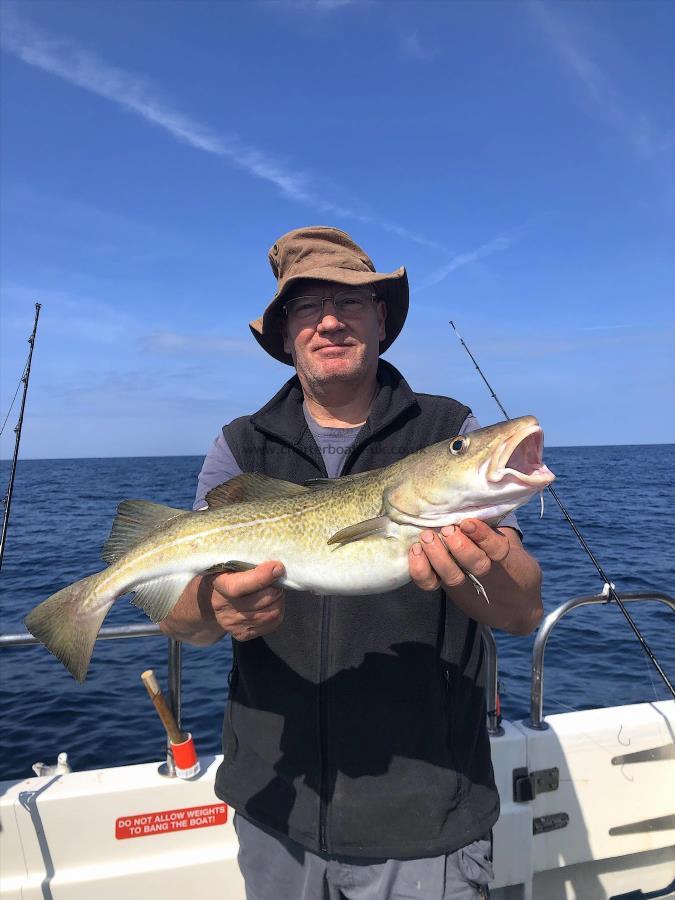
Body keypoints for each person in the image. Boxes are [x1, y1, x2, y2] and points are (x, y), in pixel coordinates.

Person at [160, 226, 543, 900]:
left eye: (351, 304)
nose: (330, 322)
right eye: (307, 309)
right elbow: (185, 622)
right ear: (284, 336)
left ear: (381, 321)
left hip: (424, 808)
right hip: (275, 799)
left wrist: (477, 574)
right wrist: (212, 608)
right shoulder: (237, 448)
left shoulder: (447, 430)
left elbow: (521, 611)